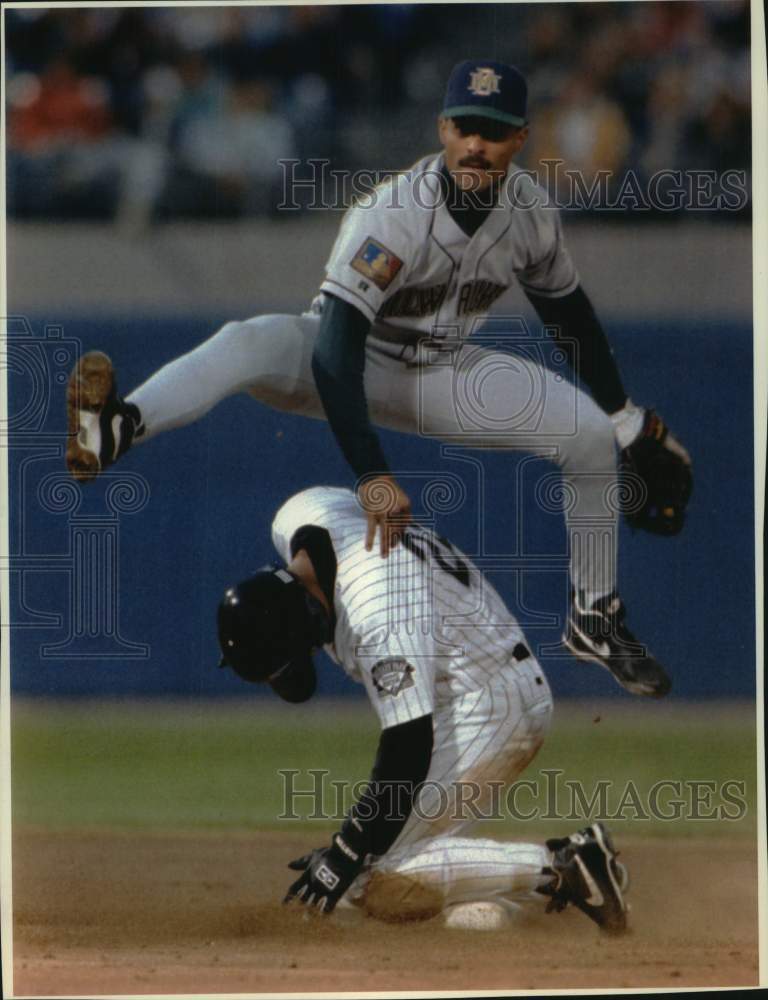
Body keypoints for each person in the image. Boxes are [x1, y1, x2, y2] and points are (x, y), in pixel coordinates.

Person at [66, 59, 692, 699]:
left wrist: (625, 417)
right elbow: (335, 354)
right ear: (444, 126)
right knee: (248, 341)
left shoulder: (529, 211)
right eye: (466, 127)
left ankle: (595, 617)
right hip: (350, 361)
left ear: (520, 138)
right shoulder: (395, 212)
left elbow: (570, 316)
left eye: (494, 131)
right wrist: (372, 475)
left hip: (443, 372)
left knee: (588, 434)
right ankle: (119, 426)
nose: (477, 144)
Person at [216, 484, 629, 933]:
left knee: (376, 879)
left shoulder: (376, 609)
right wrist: (354, 846)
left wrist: (346, 852)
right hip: (474, 675)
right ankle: (499, 898)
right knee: (370, 864)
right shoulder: (299, 513)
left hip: (492, 703)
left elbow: (407, 752)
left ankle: (566, 867)